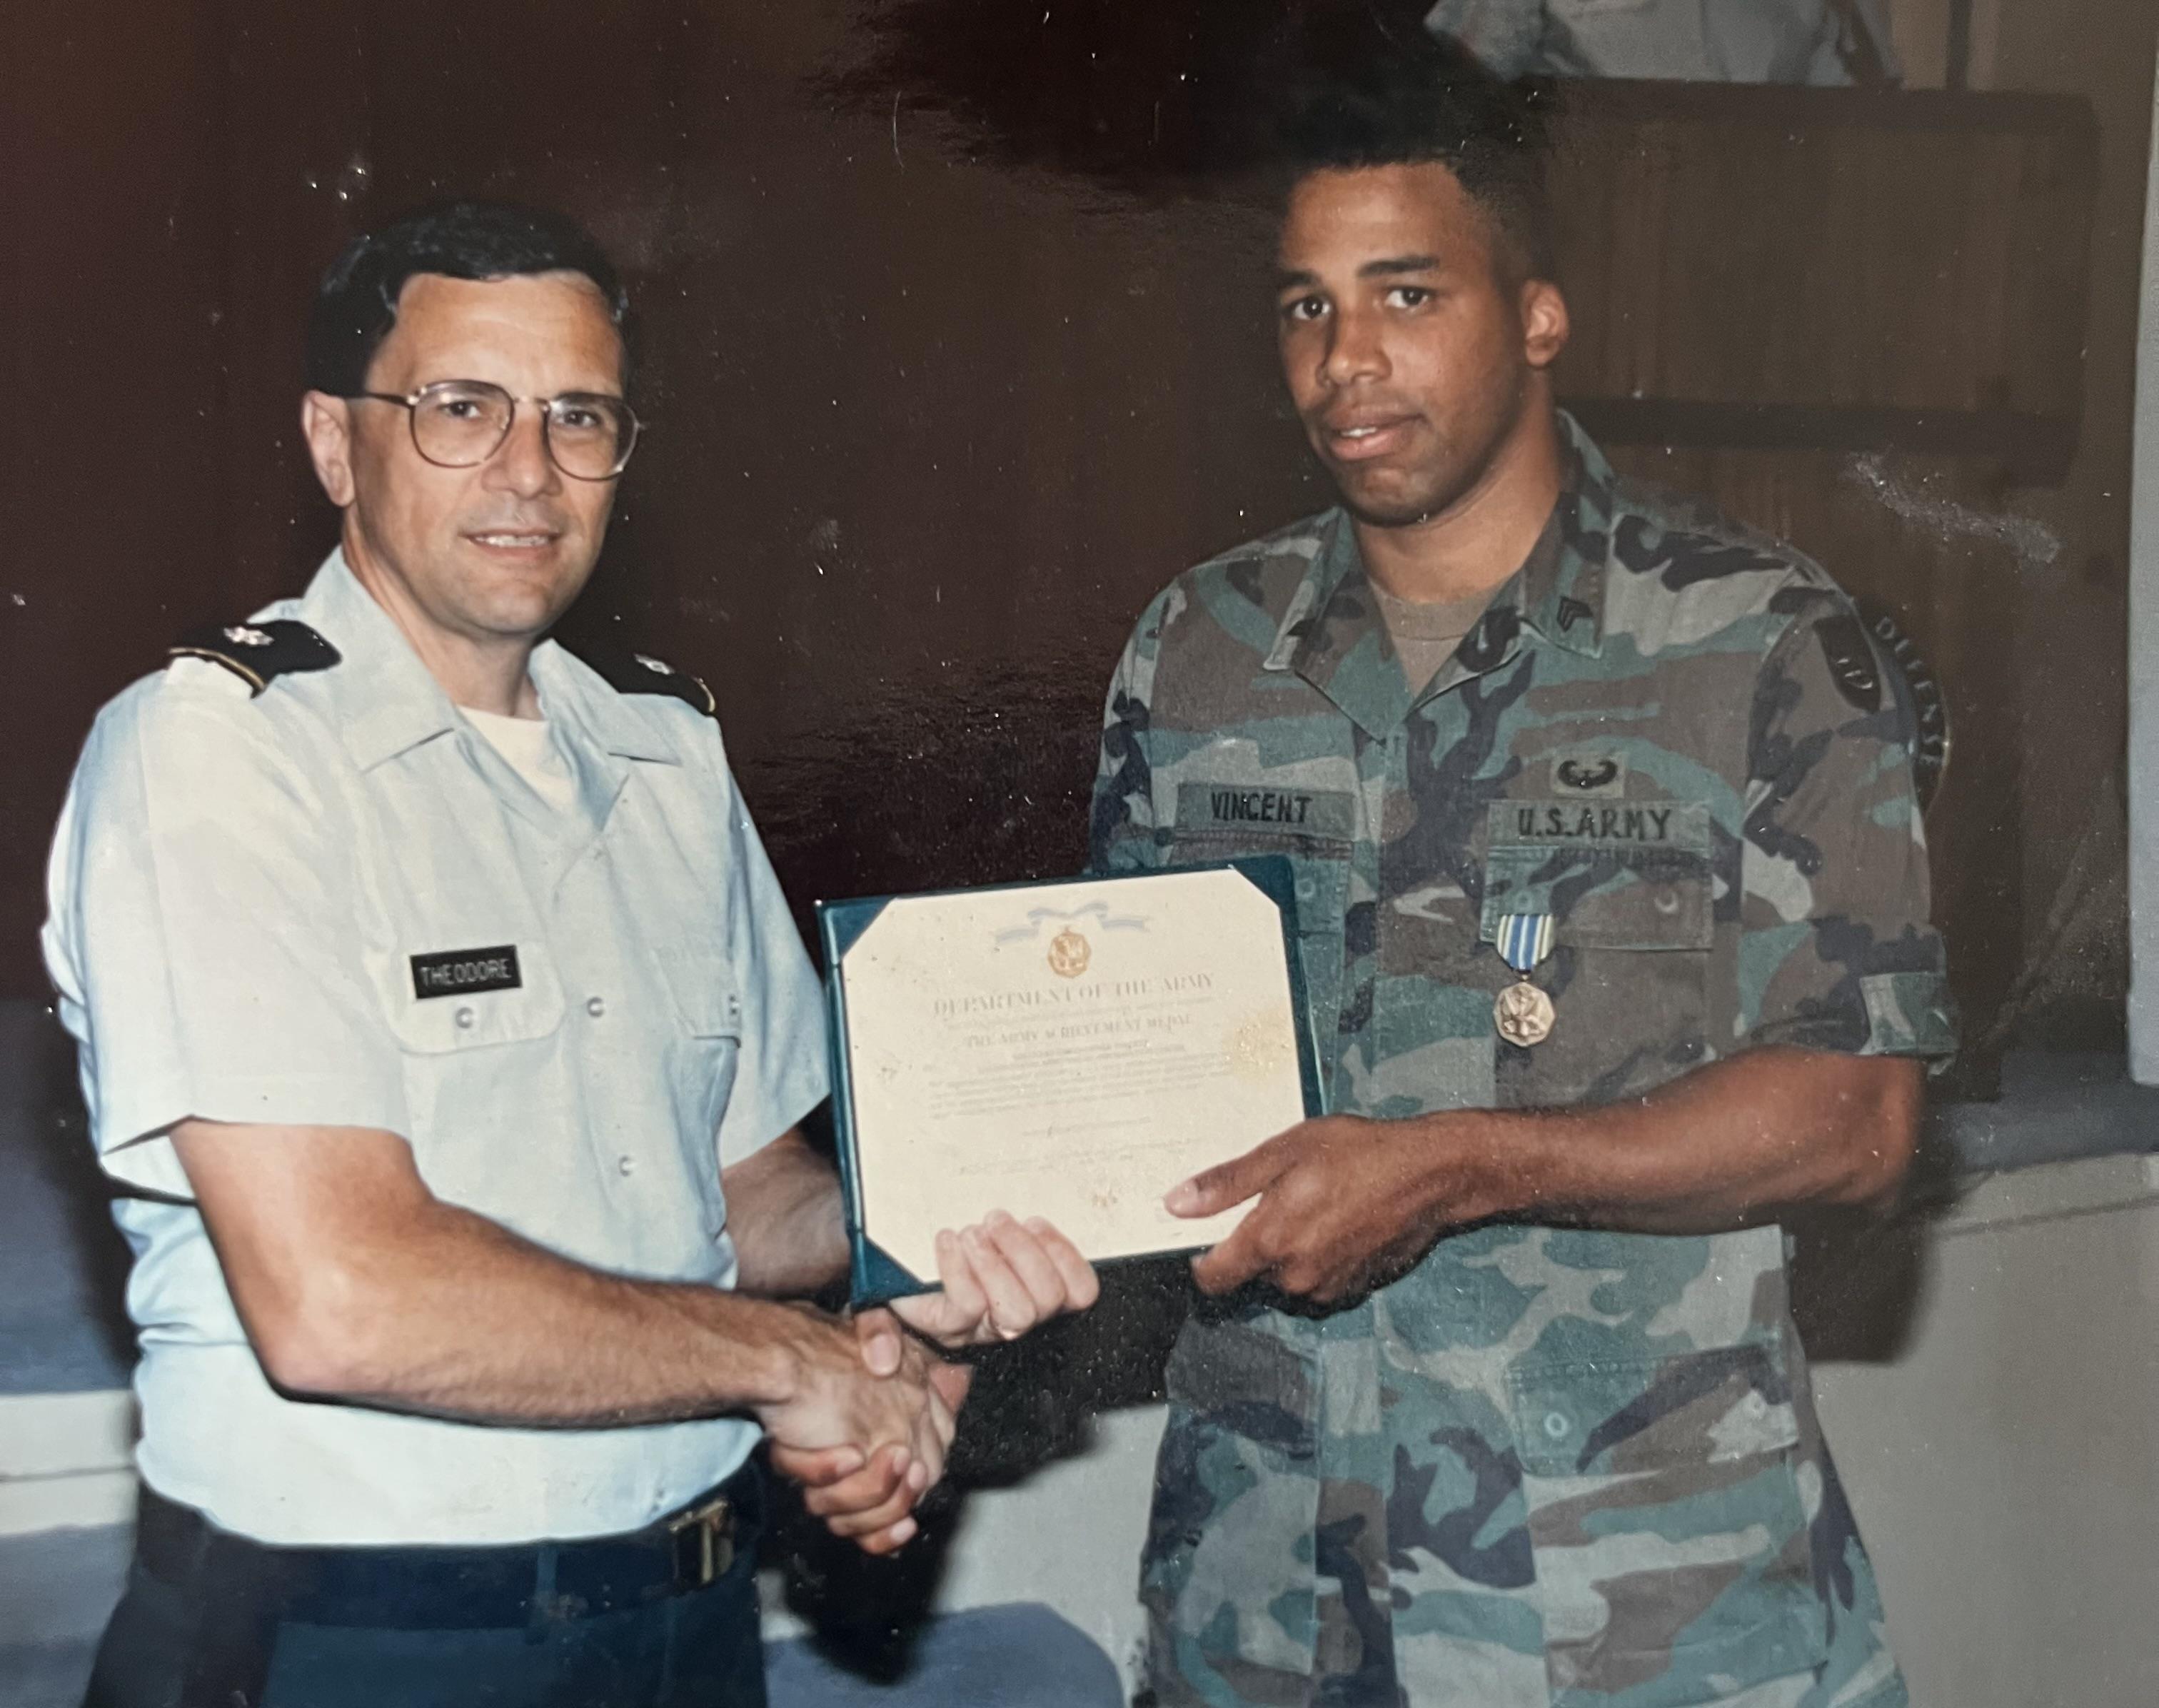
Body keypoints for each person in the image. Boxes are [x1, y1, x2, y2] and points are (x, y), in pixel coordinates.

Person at [44, 201, 1097, 1708]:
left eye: (578, 416)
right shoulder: (219, 754)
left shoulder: (665, 753)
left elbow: (736, 1194)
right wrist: (793, 1365)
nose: (528, 470)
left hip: (685, 1619)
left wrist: (911, 1242)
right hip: (361, 1640)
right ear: (337, 444)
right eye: (461, 408)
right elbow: (340, 1294)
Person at [1089, 34, 1953, 1708]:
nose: (1347, 359)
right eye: (1306, 304)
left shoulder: (1759, 644)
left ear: (1539, 315)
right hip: (1269, 1611)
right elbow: (1123, 1083)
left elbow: (1861, 1117)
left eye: (1407, 295)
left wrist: (1461, 1166)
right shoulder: (1196, 652)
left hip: (1640, 1615)